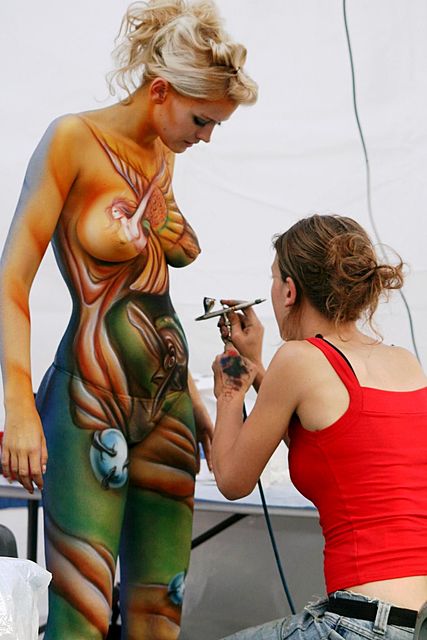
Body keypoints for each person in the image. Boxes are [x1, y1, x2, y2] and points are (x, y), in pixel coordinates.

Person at [0, 1, 258, 638]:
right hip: (90, 399)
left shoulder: (162, 156)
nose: (207, 137)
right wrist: (20, 409)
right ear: (161, 90)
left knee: (160, 611)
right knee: (81, 617)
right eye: (202, 119)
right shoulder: (72, 140)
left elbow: (152, 284)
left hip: (168, 404)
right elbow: (11, 282)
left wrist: (193, 397)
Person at [212, 214, 427, 640]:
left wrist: (230, 389)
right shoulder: (404, 362)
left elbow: (233, 479)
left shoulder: (297, 359)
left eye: (274, 279)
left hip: (363, 624)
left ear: (289, 290)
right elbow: (328, 437)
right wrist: (256, 365)